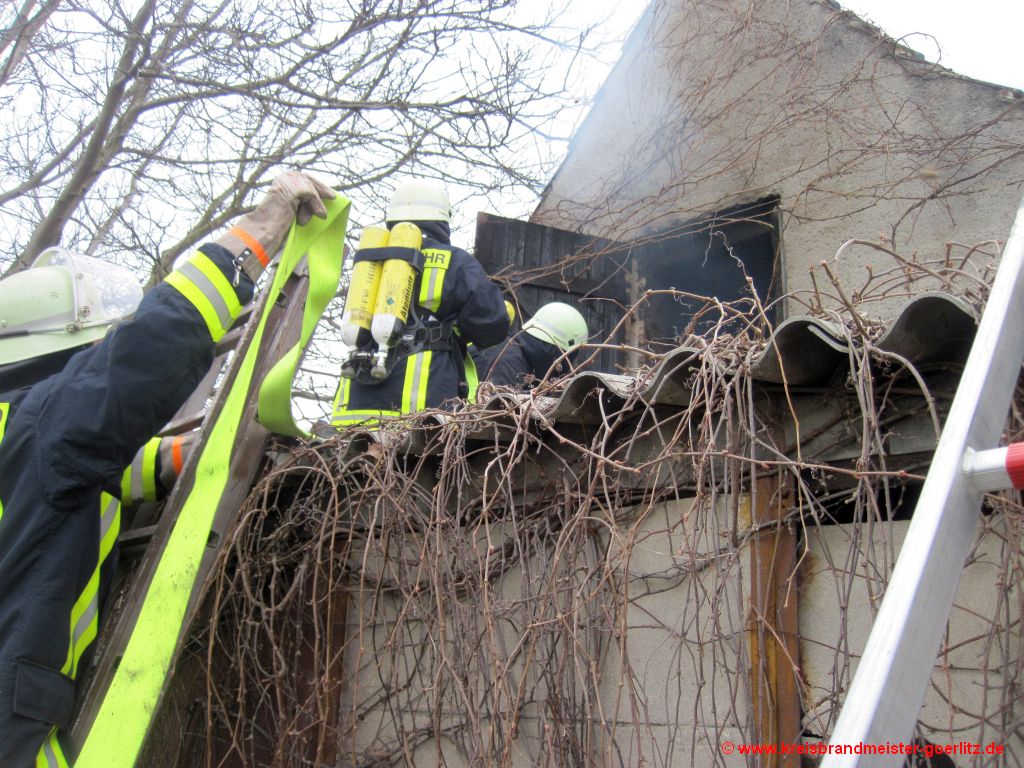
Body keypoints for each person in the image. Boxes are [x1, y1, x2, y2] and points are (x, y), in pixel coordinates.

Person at [0, 171, 334, 767]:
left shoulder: (27, 440)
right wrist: (258, 233)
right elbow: (151, 347)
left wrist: (205, 457)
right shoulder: (44, 424)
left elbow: (98, 476)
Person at [331, 180, 508, 425]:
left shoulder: (372, 264)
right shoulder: (454, 261)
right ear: (441, 219)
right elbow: (492, 325)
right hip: (420, 415)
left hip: (352, 412)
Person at [471, 301, 588, 390]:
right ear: (558, 352)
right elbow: (496, 418)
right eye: (571, 355)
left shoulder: (524, 359)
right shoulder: (509, 363)